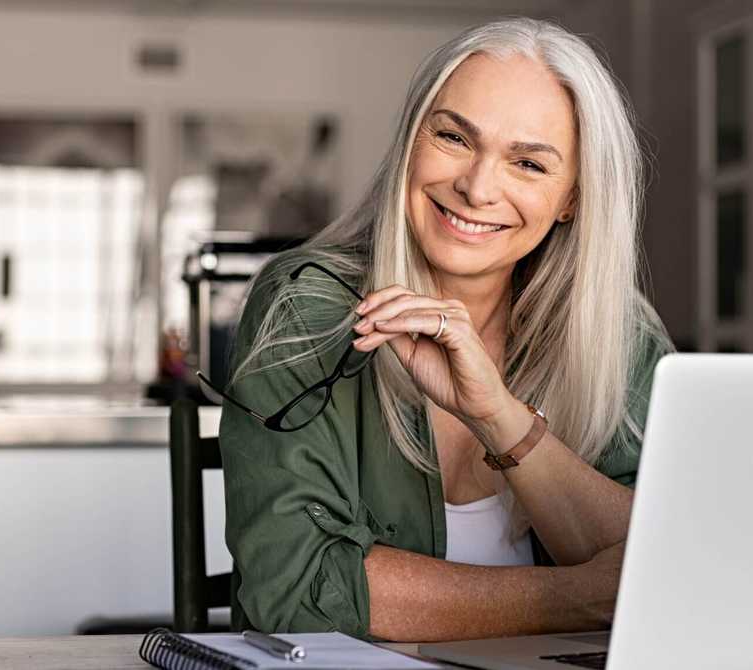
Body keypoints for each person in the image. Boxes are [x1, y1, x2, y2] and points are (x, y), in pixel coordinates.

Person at [207, 17, 673, 643]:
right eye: (454, 136)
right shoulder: (309, 301)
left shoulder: (618, 331)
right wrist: (575, 597)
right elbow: (295, 590)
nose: (477, 188)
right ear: (409, 141)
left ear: (573, 199)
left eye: (529, 164)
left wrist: (499, 417)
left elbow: (670, 564)